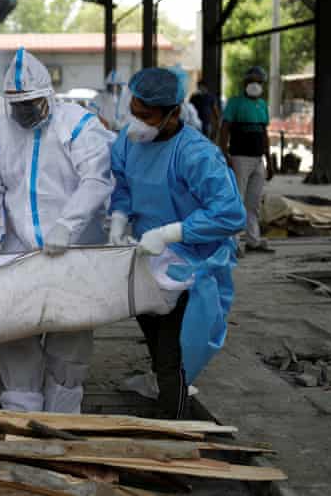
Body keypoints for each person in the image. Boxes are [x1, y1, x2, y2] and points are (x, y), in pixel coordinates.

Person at [0, 48, 115, 413]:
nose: (25, 114)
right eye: (17, 106)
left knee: (71, 332)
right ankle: (21, 409)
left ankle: (63, 411)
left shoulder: (80, 125)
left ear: (47, 98)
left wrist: (68, 226)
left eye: (31, 105)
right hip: (18, 250)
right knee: (15, 330)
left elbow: (96, 180)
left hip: (75, 251)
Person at [109, 67, 245, 419]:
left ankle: (174, 427)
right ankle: (160, 383)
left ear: (172, 113)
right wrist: (119, 219)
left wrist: (173, 233)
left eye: (146, 115)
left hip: (189, 265)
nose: (136, 121)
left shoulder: (197, 155)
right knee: (152, 334)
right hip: (145, 256)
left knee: (174, 354)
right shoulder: (129, 140)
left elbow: (230, 213)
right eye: (133, 111)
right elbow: (122, 183)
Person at [218, 66, 274, 254]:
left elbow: (265, 133)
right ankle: (233, 244)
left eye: (259, 82)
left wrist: (269, 159)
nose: (255, 85)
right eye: (252, 81)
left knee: (253, 203)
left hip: (258, 159)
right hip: (239, 157)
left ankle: (253, 240)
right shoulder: (235, 103)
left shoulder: (263, 105)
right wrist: (223, 153)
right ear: (245, 83)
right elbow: (224, 128)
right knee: (237, 201)